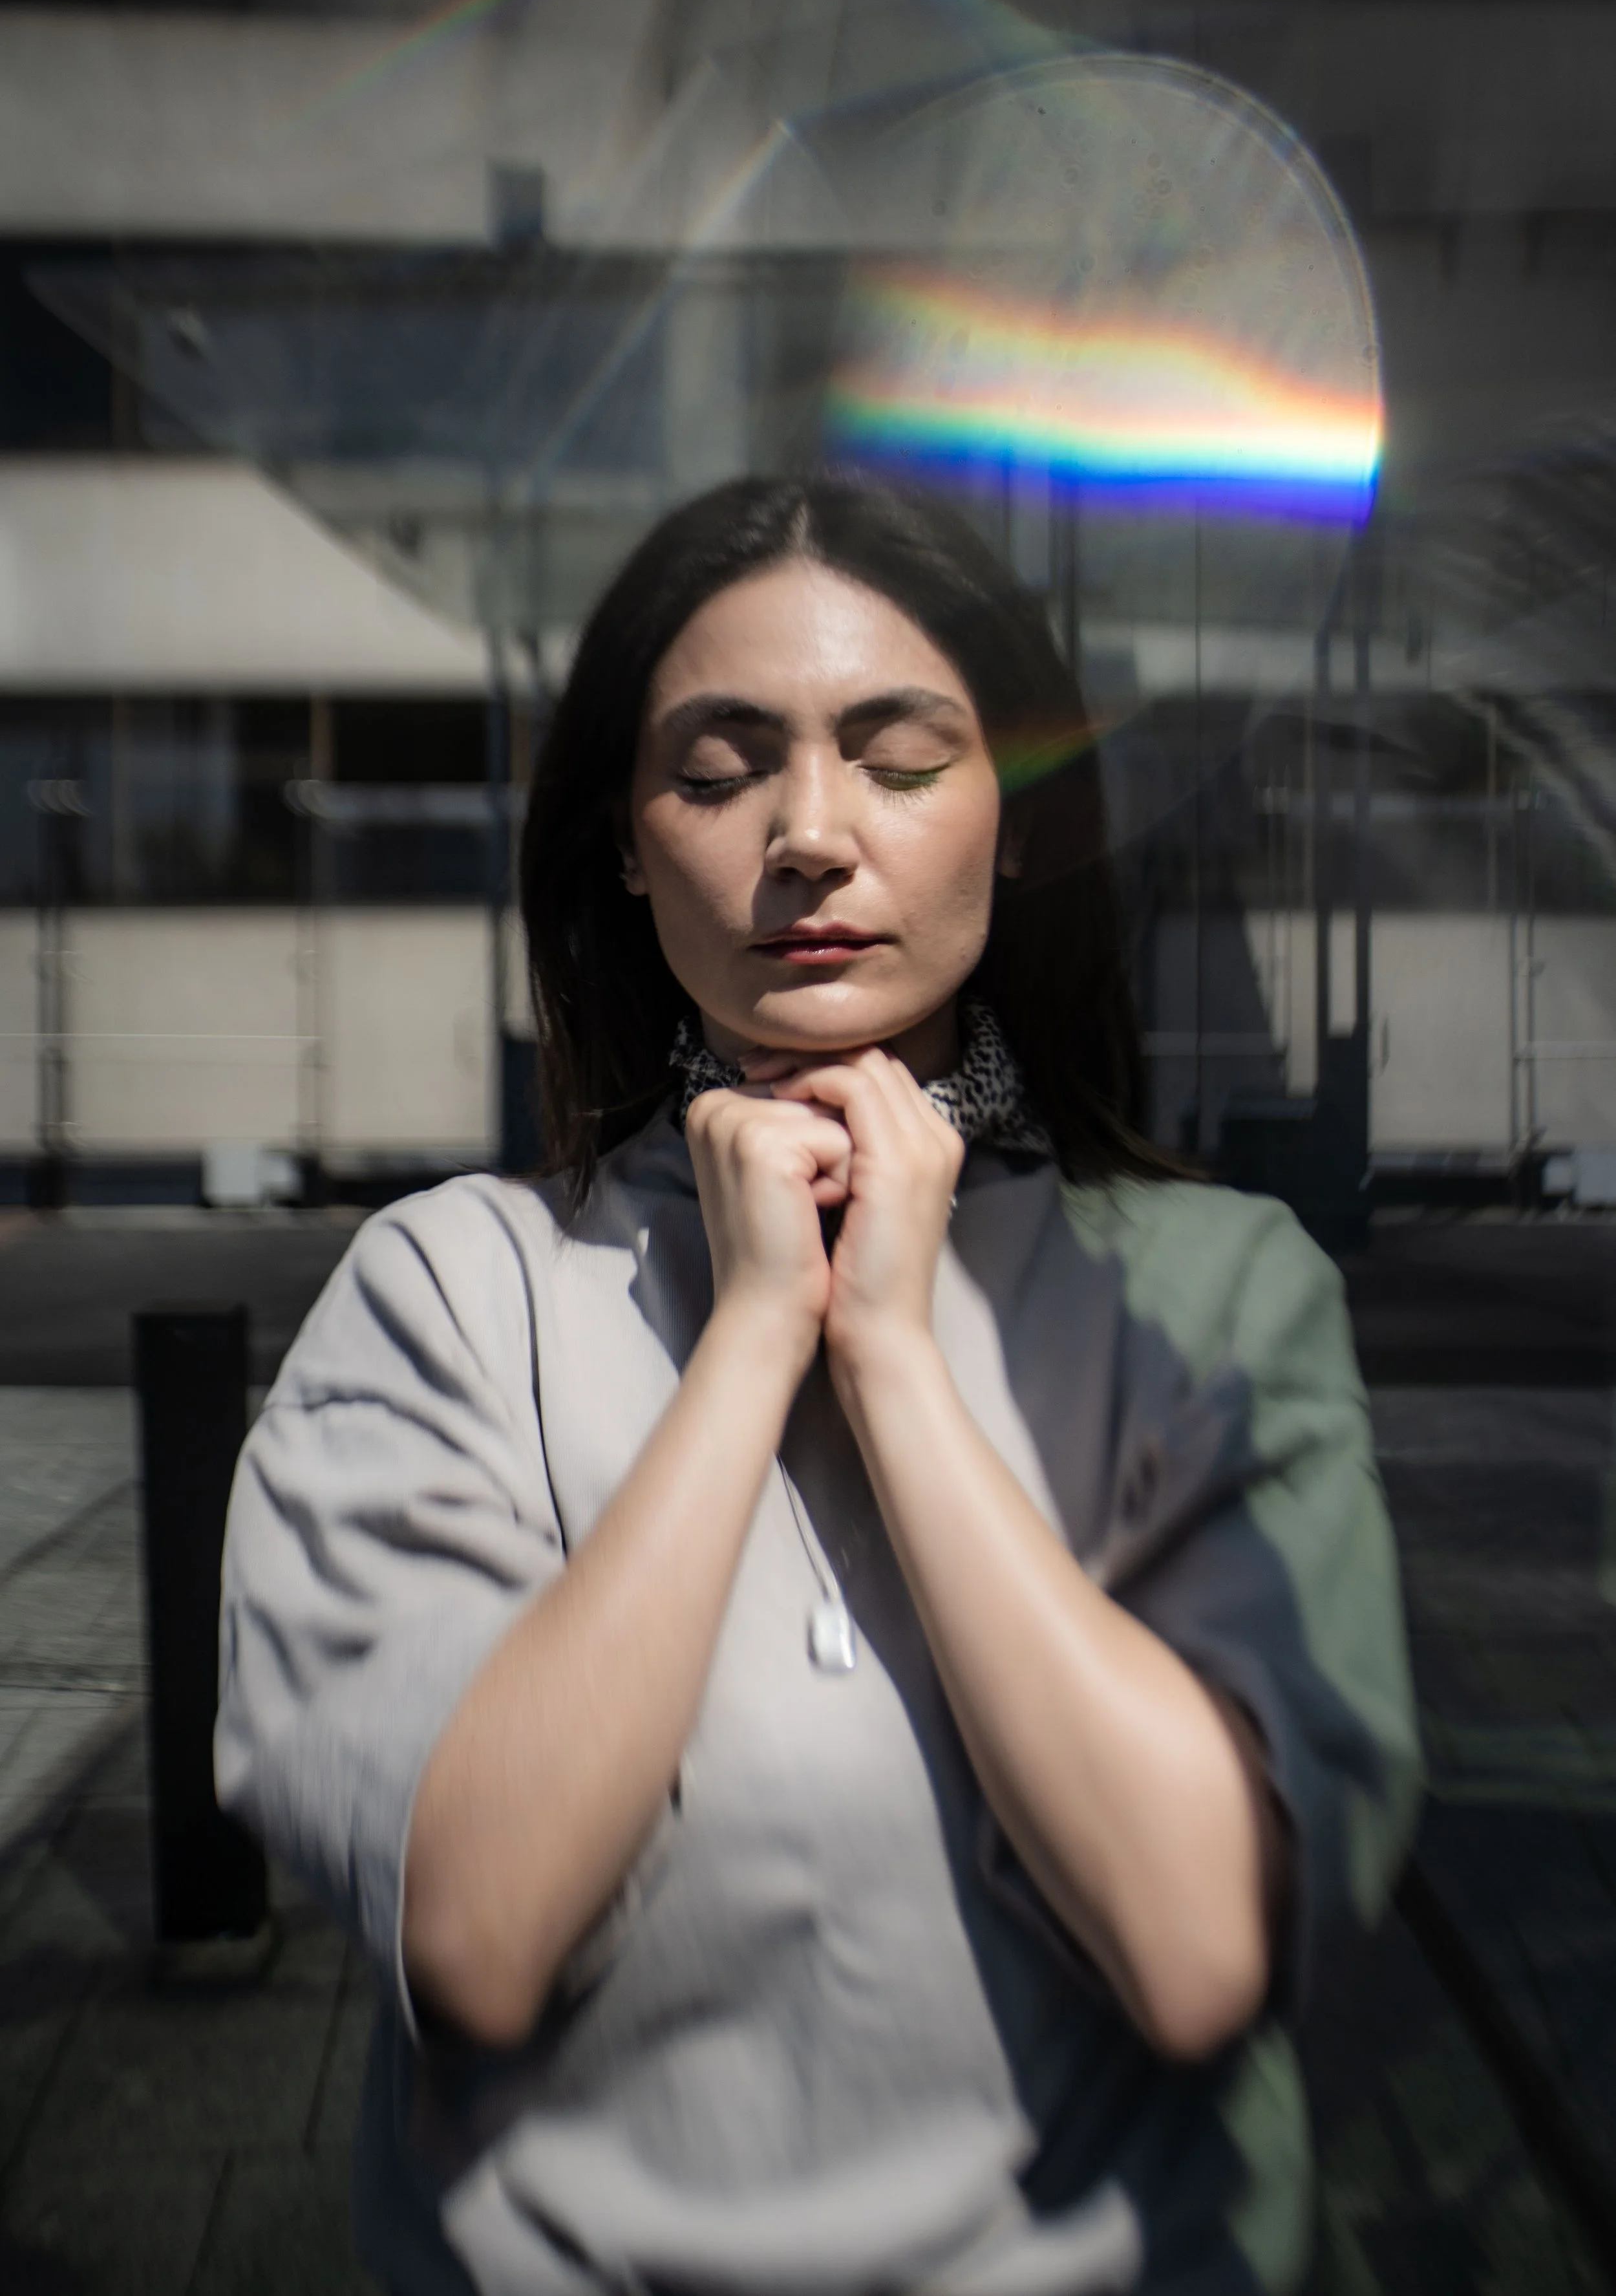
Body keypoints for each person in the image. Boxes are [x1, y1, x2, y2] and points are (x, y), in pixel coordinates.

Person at [215, 475, 1421, 2296]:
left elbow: (1195, 1946)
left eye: (899, 754)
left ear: (1010, 818)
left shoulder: (1213, 1292)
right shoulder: (452, 1288)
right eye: (715, 769)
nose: (809, 833)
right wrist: (754, 1335)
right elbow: (475, 1929)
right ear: (624, 841)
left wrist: (889, 1350)